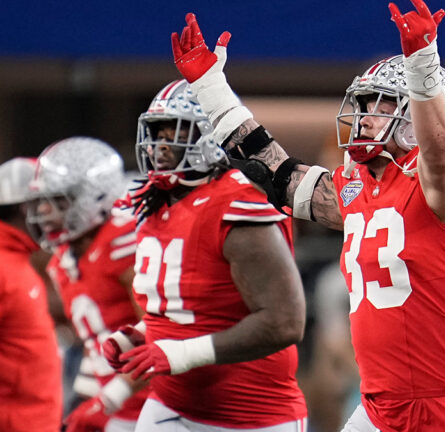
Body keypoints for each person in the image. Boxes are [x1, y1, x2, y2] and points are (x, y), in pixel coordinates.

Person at [169, 0, 445, 429]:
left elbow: (438, 155)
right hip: (378, 405)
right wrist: (211, 89)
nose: (363, 116)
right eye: (362, 104)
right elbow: (277, 174)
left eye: (380, 104)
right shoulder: (359, 188)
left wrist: (422, 62)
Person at [109, 79, 307, 431]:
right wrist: (141, 333)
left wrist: (178, 353)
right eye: (156, 132)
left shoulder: (237, 204)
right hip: (170, 404)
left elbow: (284, 323)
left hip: (250, 416)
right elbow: (190, 310)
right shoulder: (156, 199)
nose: (160, 145)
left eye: (175, 132)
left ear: (210, 137)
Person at [26, 137, 151, 432]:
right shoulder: (62, 260)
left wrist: (106, 400)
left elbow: (159, 333)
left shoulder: (123, 244)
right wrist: (83, 397)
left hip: (152, 404)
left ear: (94, 197)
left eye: (59, 201)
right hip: (115, 404)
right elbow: (94, 339)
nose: (44, 211)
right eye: (42, 200)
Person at [0, 157, 62, 432]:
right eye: (48, 202)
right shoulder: (4, 264)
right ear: (27, 207)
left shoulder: (17, 258)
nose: (55, 213)